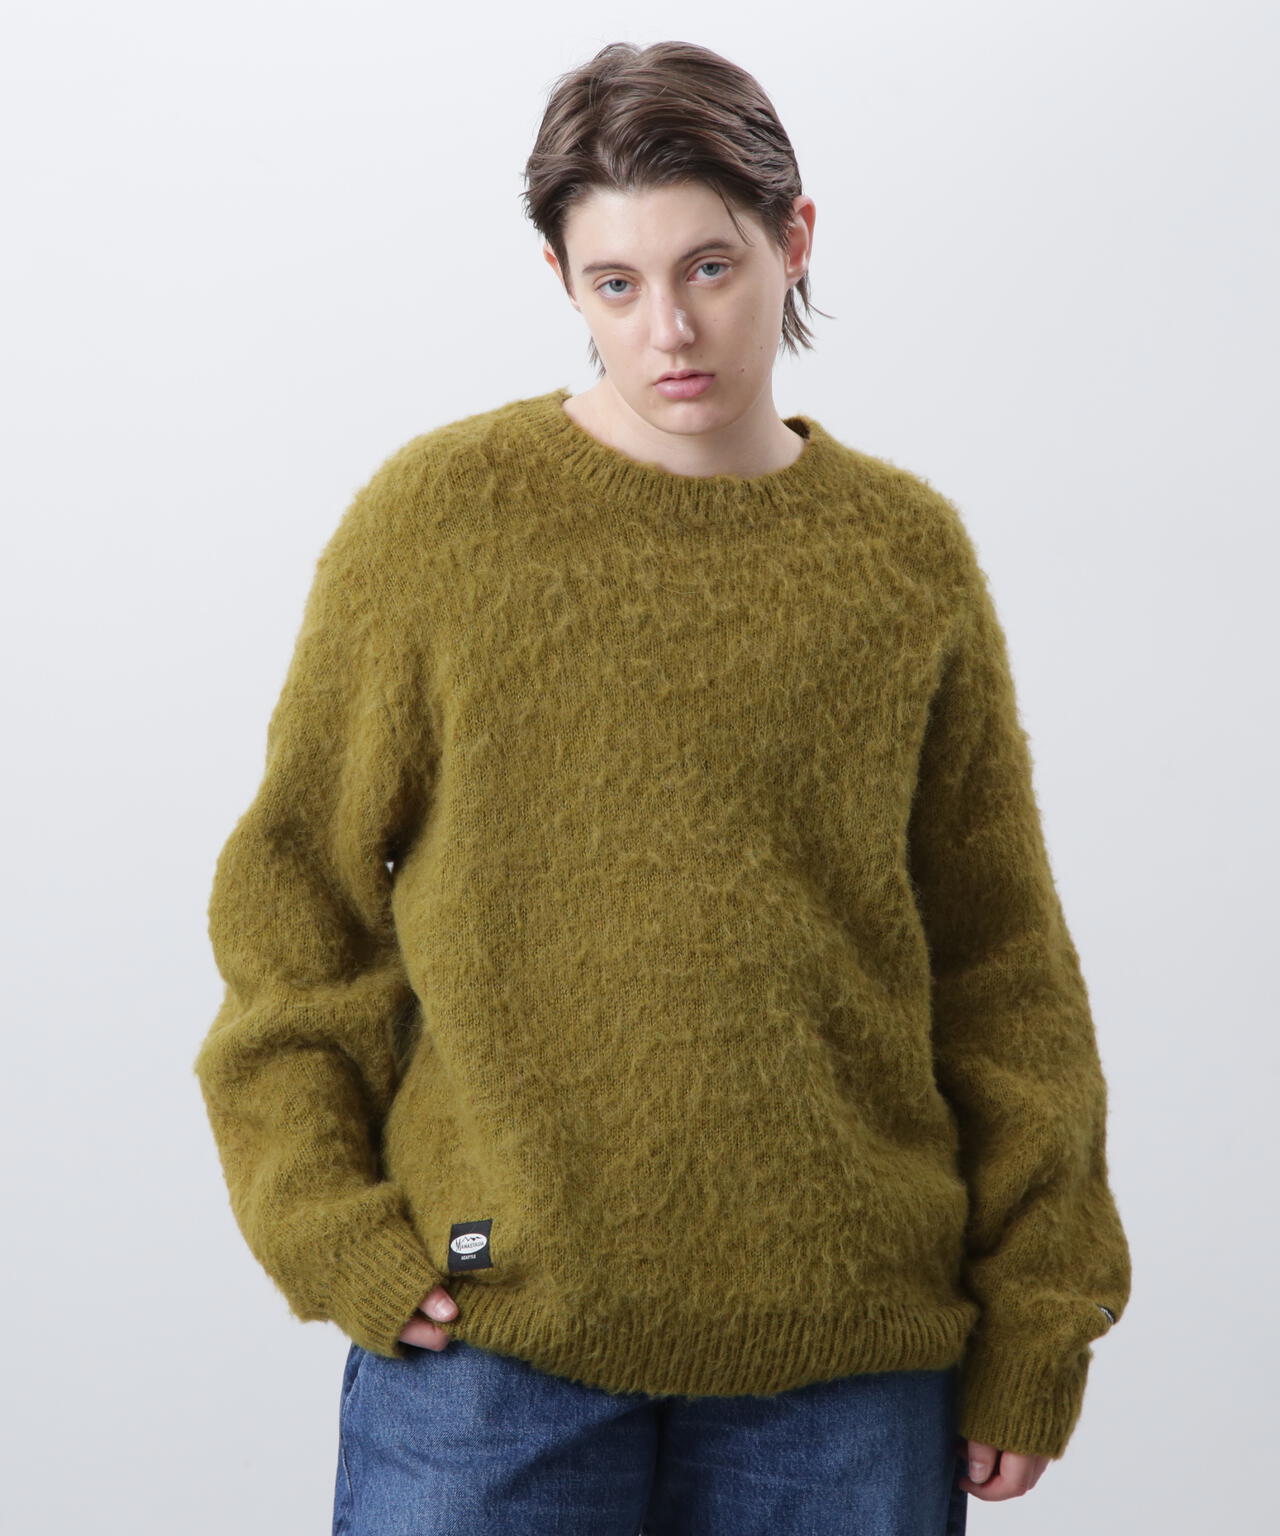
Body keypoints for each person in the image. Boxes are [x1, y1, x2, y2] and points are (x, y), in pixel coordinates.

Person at [193, 39, 1132, 1536]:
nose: (669, 329)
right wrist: (324, 1225)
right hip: (492, 1350)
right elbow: (299, 910)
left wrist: (1038, 1313)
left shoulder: (904, 557)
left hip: (851, 1358)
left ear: (794, 240)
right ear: (562, 281)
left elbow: (1001, 963)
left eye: (709, 266)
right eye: (616, 283)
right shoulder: (440, 525)